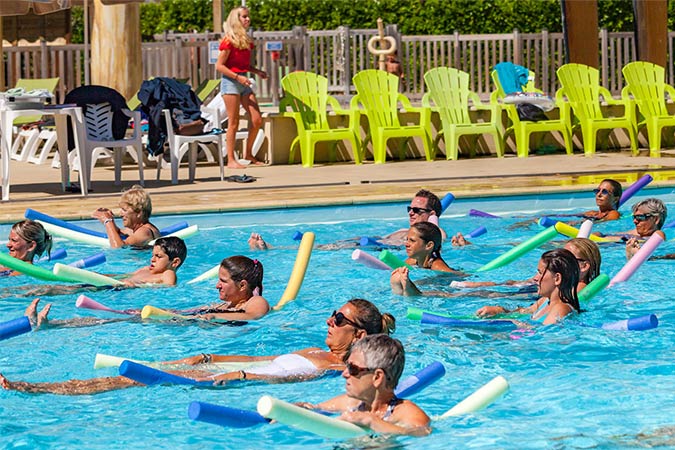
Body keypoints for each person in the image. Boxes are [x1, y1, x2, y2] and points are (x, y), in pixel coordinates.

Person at [0, 299, 394, 394]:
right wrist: (210, 355)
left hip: (232, 380)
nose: (330, 321)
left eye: (338, 320)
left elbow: (282, 378)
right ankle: (48, 379)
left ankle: (34, 388)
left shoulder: (336, 368)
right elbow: (265, 357)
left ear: (359, 335)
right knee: (148, 366)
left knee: (134, 382)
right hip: (224, 369)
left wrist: (236, 375)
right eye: (331, 314)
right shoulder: (316, 350)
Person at [20, 237, 188, 328]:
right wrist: (97, 275)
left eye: (158, 257)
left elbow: (168, 286)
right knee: (68, 288)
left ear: (175, 262)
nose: (152, 259)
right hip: (111, 285)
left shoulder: (168, 273)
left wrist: (138, 286)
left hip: (118, 291)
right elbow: (122, 275)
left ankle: (37, 303)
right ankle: (28, 292)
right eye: (152, 255)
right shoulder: (145, 270)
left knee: (71, 291)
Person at [298, 334, 431, 436]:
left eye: (353, 368)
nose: (344, 374)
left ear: (377, 377)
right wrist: (299, 407)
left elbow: (422, 433)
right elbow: (314, 409)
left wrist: (373, 421)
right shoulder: (352, 403)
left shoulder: (405, 412)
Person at [248, 189, 446, 251]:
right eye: (409, 208)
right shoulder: (403, 231)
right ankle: (279, 248)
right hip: (374, 242)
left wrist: (433, 219)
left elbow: (439, 238)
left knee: (335, 249)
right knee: (329, 246)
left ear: (431, 214)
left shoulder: (435, 233)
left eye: (417, 210)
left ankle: (276, 249)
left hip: (377, 250)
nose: (411, 213)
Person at [216, 6, 267, 169]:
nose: (247, 19)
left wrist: (256, 71)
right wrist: (238, 77)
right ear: (236, 19)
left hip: (243, 81)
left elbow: (243, 65)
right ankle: (231, 159)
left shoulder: (246, 41)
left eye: (248, 17)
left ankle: (248, 154)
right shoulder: (228, 41)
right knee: (233, 122)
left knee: (257, 119)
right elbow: (219, 66)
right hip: (231, 82)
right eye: (244, 17)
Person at [475, 248, 581, 325]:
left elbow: (545, 337)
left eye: (540, 273)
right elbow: (523, 311)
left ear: (557, 278)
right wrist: (499, 310)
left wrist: (514, 323)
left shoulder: (561, 308)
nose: (535, 278)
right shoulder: (544, 301)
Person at [92, 185, 160, 248]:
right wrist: (109, 217)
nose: (120, 214)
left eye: (124, 210)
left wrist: (108, 222)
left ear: (139, 213)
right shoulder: (136, 230)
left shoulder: (144, 231)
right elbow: (118, 232)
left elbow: (118, 248)